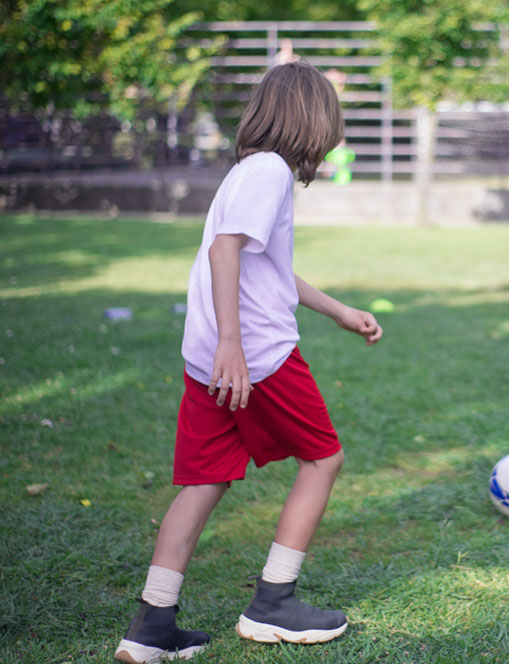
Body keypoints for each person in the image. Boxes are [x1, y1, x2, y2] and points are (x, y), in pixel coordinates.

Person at [114, 61, 383, 664]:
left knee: (203, 480)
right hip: (254, 355)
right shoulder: (269, 172)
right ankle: (273, 603)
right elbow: (224, 250)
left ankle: (151, 627)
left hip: (208, 357)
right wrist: (234, 344)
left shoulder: (252, 171)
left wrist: (337, 310)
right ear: (312, 119)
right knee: (323, 459)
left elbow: (267, 265)